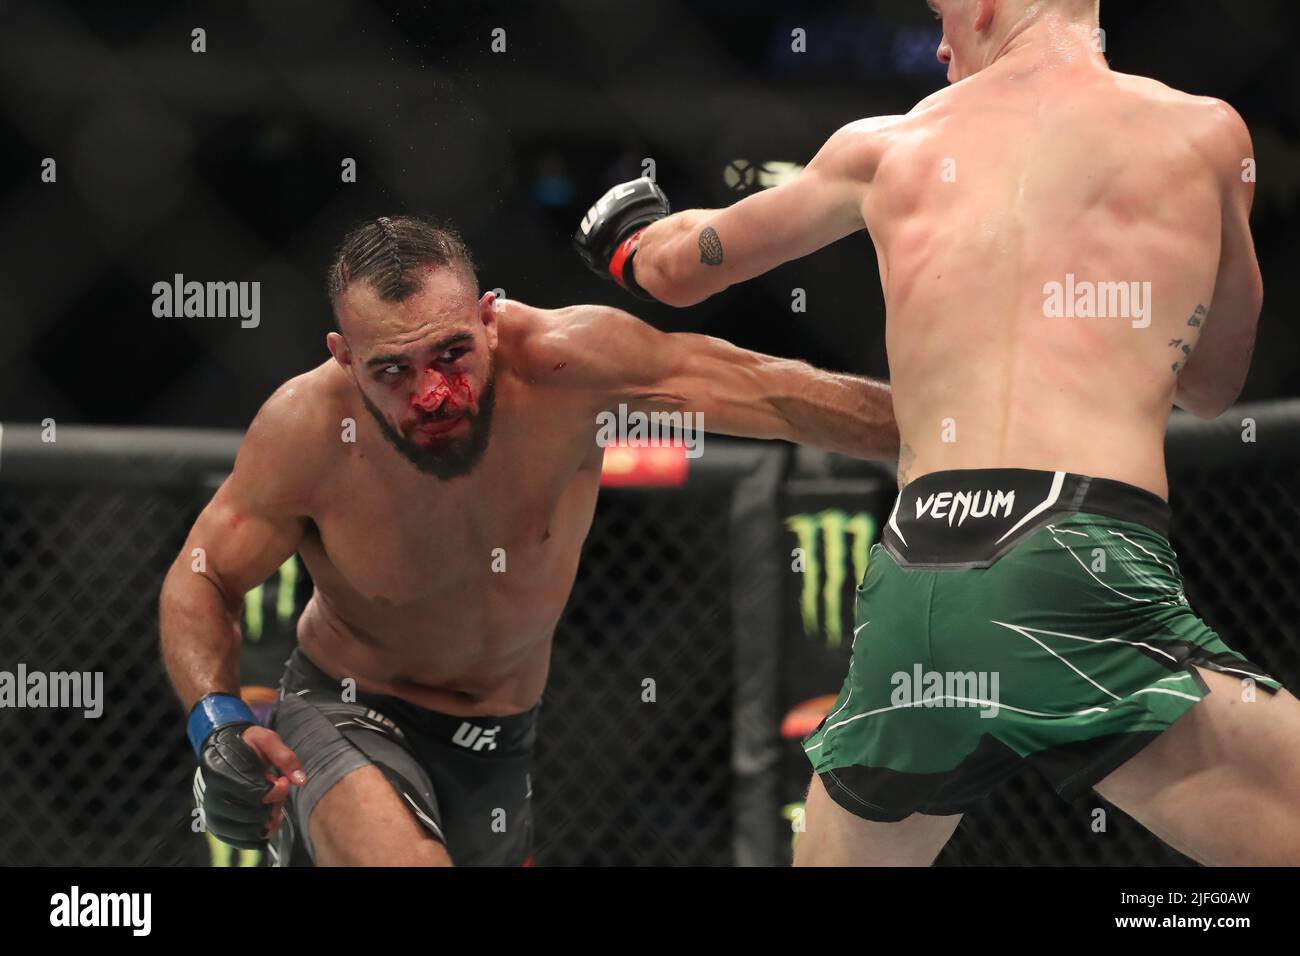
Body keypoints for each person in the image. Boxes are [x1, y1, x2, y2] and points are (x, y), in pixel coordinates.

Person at [575, 0, 1300, 865]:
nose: (941, 46)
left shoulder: (888, 145)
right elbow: (1214, 386)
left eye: (941, 15)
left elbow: (675, 269)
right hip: (1076, 553)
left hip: (916, 572)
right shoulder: (1205, 133)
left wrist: (627, 235)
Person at [160, 215, 898, 866]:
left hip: (503, 740)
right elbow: (202, 576)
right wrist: (215, 723)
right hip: (348, 708)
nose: (430, 393)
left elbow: (777, 394)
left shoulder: (571, 364)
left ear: (489, 318)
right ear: (346, 357)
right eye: (392, 370)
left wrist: (952, 436)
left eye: (451, 353)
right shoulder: (306, 431)